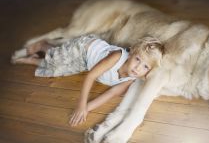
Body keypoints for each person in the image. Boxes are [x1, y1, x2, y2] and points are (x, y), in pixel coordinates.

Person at [12, 34, 164, 126]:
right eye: (137, 59)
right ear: (131, 53)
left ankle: (33, 60)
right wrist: (81, 104)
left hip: (87, 62)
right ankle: (42, 45)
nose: (138, 68)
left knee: (58, 70)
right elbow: (91, 76)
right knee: (56, 59)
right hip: (84, 48)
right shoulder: (116, 57)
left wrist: (86, 109)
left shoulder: (130, 79)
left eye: (145, 67)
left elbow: (111, 94)